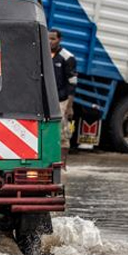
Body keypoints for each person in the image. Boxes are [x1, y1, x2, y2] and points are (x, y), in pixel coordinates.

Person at [49, 29, 77, 166]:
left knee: (63, 133)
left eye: (53, 39)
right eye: (48, 38)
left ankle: (63, 164)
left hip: (62, 100)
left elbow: (72, 84)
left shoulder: (67, 57)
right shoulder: (44, 55)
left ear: (60, 40)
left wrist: (69, 106)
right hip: (47, 101)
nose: (50, 41)